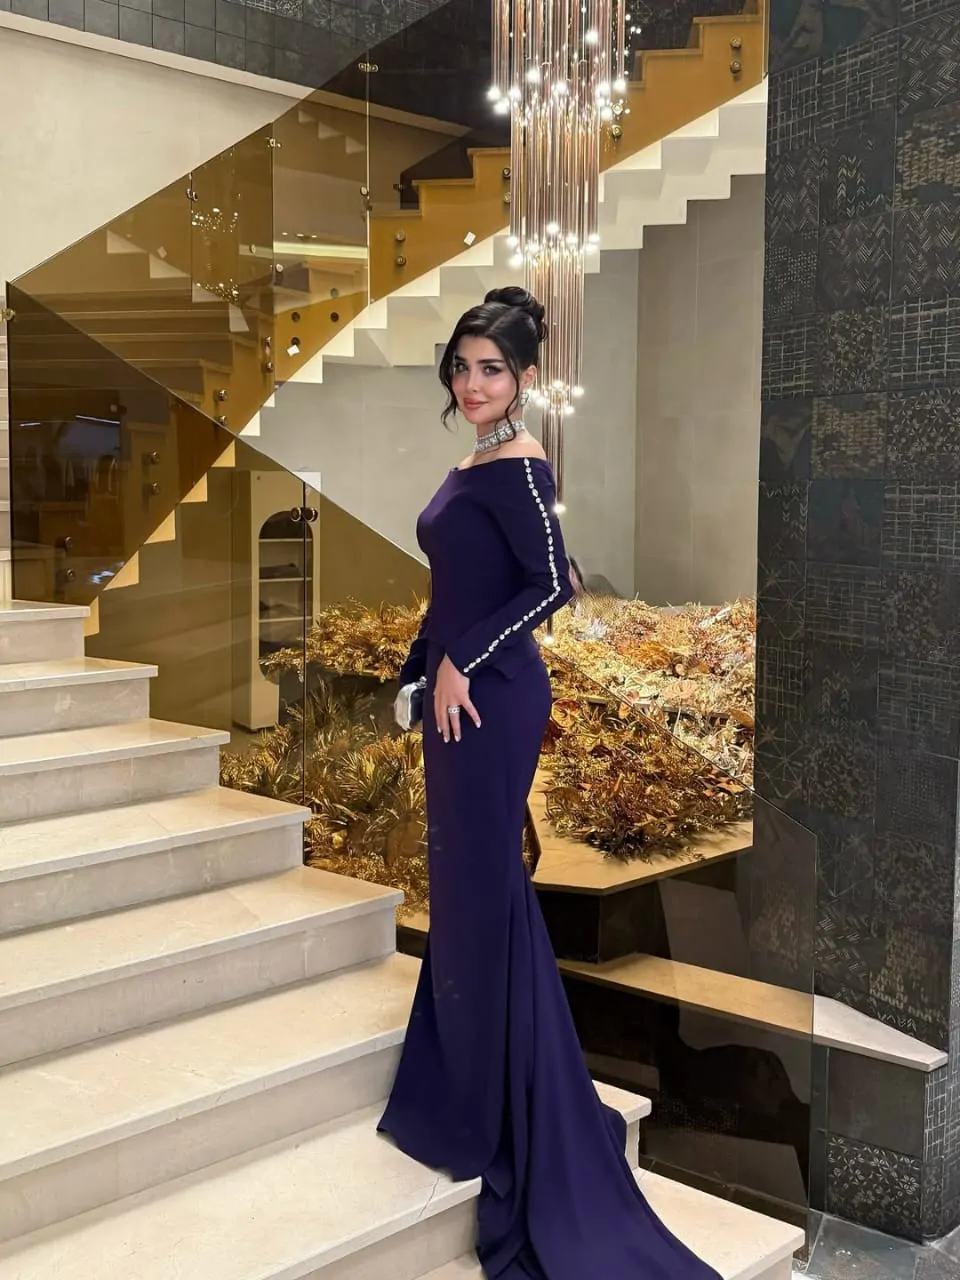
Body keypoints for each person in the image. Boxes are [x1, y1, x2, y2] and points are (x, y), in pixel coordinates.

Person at [378, 286, 721, 1280]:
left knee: (486, 890)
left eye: (491, 368)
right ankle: (461, 1080)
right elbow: (454, 590)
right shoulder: (471, 463)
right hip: (455, 699)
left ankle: (506, 1101)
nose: (472, 382)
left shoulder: (524, 464)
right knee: (463, 888)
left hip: (494, 702)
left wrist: (459, 664)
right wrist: (417, 667)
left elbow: (551, 587)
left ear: (524, 378)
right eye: (462, 366)